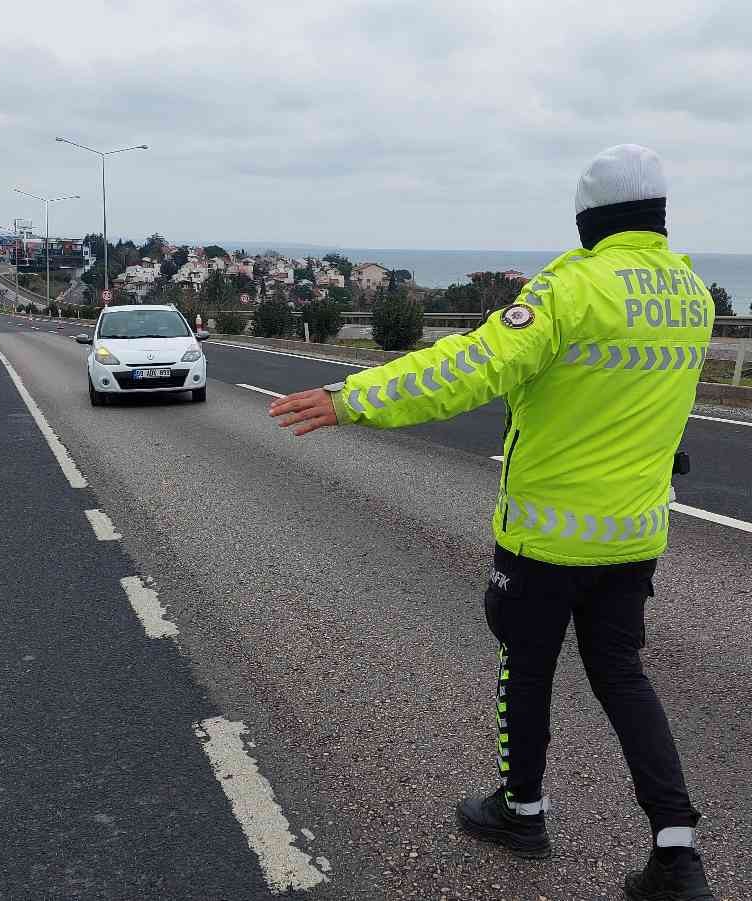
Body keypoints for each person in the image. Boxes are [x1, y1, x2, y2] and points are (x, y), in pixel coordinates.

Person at [267, 144, 716, 900]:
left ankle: (522, 811)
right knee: (623, 676)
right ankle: (678, 851)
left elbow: (468, 366)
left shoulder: (572, 288)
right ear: (660, 214)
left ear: (588, 217)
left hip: (545, 538)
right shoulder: (692, 297)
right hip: (634, 536)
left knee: (527, 663)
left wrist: (354, 398)